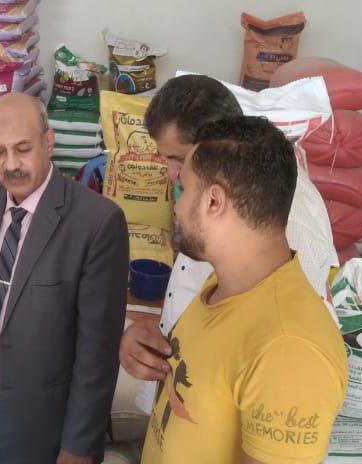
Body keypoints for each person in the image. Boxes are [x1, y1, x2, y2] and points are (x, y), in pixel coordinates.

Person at [140, 115, 348, 463]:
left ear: (213, 202)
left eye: (183, 189)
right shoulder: (224, 284)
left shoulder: (289, 349)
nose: (176, 207)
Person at [119, 74, 339, 386]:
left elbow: (276, 345)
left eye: (178, 159)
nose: (171, 173)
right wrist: (155, 333)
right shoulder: (211, 199)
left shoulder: (290, 219)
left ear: (220, 144)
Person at [0, 93, 129, 464]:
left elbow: (97, 351)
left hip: (48, 423)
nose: (11, 165)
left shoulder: (96, 222)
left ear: (48, 142)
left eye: (23, 149)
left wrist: (79, 444)